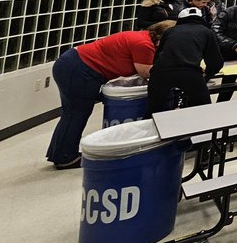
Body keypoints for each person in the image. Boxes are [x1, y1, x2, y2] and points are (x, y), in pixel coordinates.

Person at [46, 20, 175, 168]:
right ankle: (65, 158)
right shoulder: (144, 45)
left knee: (72, 113)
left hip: (74, 65)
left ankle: (60, 153)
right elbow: (146, 72)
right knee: (76, 113)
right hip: (79, 70)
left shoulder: (143, 37)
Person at [147, 7, 224, 114]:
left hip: (161, 72)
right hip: (190, 72)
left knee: (154, 110)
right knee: (203, 110)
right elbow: (216, 61)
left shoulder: (169, 31)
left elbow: (158, 56)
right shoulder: (206, 32)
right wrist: (206, 75)